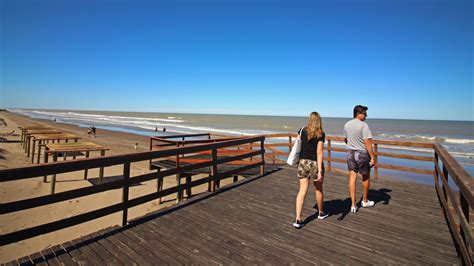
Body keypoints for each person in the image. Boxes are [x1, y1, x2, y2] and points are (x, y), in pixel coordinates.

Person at [293, 112, 328, 229]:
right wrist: (320, 171)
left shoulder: (302, 130)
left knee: (302, 190)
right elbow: (319, 152)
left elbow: (298, 144)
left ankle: (298, 219)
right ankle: (321, 212)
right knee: (318, 189)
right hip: (314, 163)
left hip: (303, 162)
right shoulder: (320, 134)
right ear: (319, 121)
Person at [343, 105, 375, 213]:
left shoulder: (347, 124)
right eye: (364, 113)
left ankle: (353, 205)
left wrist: (352, 145)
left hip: (350, 152)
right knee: (365, 176)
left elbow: (345, 139)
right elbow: (367, 143)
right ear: (358, 113)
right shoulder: (364, 126)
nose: (366, 115)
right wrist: (372, 157)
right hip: (361, 153)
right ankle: (364, 201)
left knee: (352, 177)